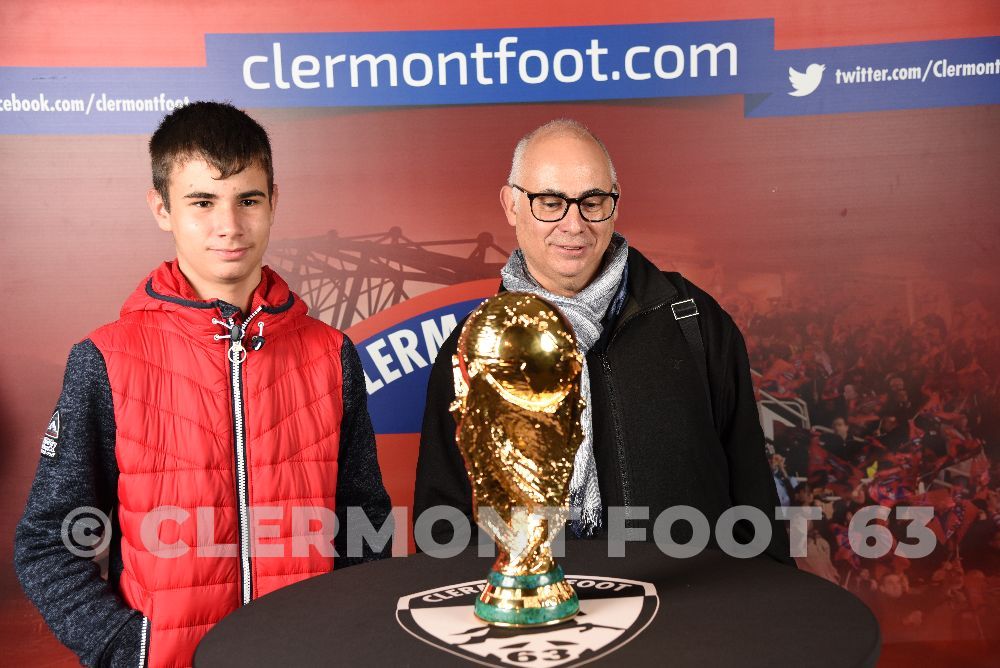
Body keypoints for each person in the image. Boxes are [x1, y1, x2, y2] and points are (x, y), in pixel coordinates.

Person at [14, 102, 391, 667]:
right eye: (202, 202)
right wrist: (129, 648)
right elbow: (48, 541)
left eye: (248, 199)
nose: (229, 226)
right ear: (161, 208)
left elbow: (366, 523)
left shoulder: (331, 354)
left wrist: (345, 634)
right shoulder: (105, 359)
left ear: (274, 202)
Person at [414, 118, 792, 564]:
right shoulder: (473, 348)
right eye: (550, 202)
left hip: (691, 616)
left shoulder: (693, 319)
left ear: (615, 204)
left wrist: (769, 605)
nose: (574, 225)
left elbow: (752, 492)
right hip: (536, 624)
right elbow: (442, 524)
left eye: (593, 202)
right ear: (511, 204)